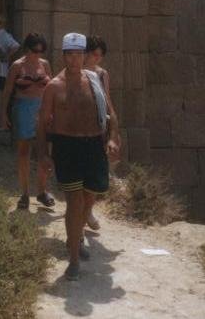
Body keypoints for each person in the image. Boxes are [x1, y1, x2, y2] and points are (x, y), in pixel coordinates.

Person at [37, 32, 119, 281]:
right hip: (67, 147)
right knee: (74, 202)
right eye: (69, 54)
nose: (74, 59)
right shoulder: (54, 86)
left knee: (89, 198)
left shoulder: (94, 80)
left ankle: (76, 235)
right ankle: (73, 259)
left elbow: (110, 113)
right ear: (63, 55)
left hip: (93, 145)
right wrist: (43, 154)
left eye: (78, 54)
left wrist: (113, 137)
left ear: (84, 56)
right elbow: (42, 124)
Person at [0, 32, 54, 210]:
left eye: (41, 50)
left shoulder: (44, 65)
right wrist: (3, 114)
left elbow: (52, 88)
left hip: (42, 109)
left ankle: (42, 191)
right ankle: (24, 193)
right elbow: (7, 91)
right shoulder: (17, 66)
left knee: (43, 151)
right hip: (23, 108)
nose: (38, 54)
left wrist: (55, 111)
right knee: (24, 152)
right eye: (35, 50)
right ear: (26, 48)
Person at [83, 35, 121, 231]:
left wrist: (114, 131)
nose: (95, 58)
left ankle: (88, 211)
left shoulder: (102, 74)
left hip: (98, 128)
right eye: (92, 54)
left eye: (99, 55)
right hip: (78, 128)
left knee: (98, 173)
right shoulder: (75, 72)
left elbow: (107, 102)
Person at [0, 14, 20, 131]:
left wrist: (6, 56)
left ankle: (3, 123)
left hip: (1, 71)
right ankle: (0, 122)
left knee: (0, 98)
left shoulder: (4, 35)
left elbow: (16, 46)